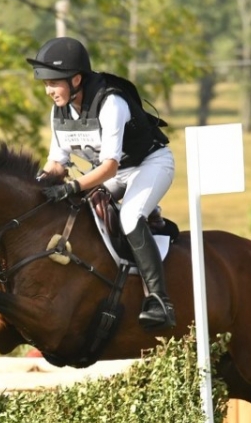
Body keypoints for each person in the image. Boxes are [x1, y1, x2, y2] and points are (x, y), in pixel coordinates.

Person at [26, 36, 177, 329]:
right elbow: (57, 165)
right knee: (79, 212)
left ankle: (159, 300)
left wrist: (72, 186)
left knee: (130, 217)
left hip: (150, 164)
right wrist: (34, 188)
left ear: (76, 79)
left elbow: (108, 167)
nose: (48, 91)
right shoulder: (60, 111)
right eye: (46, 84)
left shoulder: (111, 103)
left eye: (53, 83)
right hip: (113, 172)